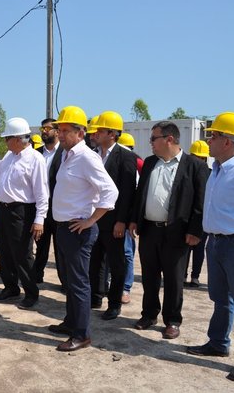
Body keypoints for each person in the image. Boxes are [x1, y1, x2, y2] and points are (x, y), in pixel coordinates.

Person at [47, 105, 118, 352]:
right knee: (69, 280)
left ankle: (82, 334)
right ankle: (71, 322)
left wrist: (91, 220)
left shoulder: (87, 157)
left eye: (66, 130)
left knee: (79, 283)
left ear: (80, 133)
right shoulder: (67, 155)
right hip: (64, 228)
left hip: (78, 230)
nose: (61, 134)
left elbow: (110, 191)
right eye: (60, 130)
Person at [128, 121, 208, 339]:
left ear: (169, 139)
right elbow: (140, 194)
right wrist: (134, 219)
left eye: (154, 138)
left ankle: (172, 320)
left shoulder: (194, 166)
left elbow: (200, 203)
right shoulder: (150, 163)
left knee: (173, 279)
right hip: (149, 231)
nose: (150, 143)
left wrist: (195, 231)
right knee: (150, 276)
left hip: (176, 232)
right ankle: (149, 314)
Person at [185, 112, 234, 382]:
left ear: (227, 142)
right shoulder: (216, 169)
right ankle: (218, 343)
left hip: (233, 243)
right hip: (215, 243)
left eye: (213, 136)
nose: (209, 141)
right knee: (220, 298)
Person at [0, 117, 48, 310]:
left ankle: (31, 293)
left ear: (18, 139)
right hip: (4, 209)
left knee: (23, 254)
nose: (4, 142)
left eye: (7, 138)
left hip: (22, 211)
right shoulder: (9, 156)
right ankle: (10, 287)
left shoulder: (35, 159)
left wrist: (39, 219)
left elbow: (42, 193)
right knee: (5, 251)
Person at [88, 111, 137, 320]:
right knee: (94, 261)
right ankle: (95, 296)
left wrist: (122, 221)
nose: (96, 133)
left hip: (114, 221)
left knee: (116, 264)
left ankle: (114, 303)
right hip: (92, 219)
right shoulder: (92, 154)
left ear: (112, 133)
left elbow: (127, 192)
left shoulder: (126, 157)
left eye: (100, 130)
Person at [34, 118, 64, 287]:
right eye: (42, 128)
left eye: (48, 128)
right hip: (40, 208)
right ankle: (36, 276)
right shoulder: (36, 153)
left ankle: (64, 282)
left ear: (57, 131)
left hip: (58, 208)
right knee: (40, 246)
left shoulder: (65, 153)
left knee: (61, 249)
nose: (44, 131)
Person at [117, 131, 142, 304]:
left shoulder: (137, 162)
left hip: (126, 216)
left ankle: (125, 288)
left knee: (126, 252)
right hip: (112, 214)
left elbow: (137, 193)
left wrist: (132, 219)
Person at [185, 140, 211, 287]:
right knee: (188, 248)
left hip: (200, 217)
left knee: (196, 248)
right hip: (194, 216)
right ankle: (188, 276)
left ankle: (194, 276)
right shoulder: (210, 174)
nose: (199, 160)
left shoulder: (209, 174)